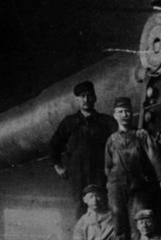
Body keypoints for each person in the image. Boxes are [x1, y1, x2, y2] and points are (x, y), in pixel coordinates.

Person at [105, 97, 161, 240]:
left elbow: (155, 157)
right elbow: (107, 167)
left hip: (138, 189)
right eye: (120, 112)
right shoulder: (111, 140)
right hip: (116, 189)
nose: (124, 114)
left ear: (132, 113)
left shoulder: (141, 135)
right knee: (119, 227)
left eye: (127, 111)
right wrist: (113, 186)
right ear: (114, 115)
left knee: (139, 227)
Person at [49, 80, 118, 218]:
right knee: (80, 210)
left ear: (95, 98)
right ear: (77, 100)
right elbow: (54, 145)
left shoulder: (107, 122)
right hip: (78, 175)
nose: (86, 99)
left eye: (89, 95)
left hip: (101, 174)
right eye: (82, 96)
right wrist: (58, 167)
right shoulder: (69, 123)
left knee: (104, 208)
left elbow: (118, 146)